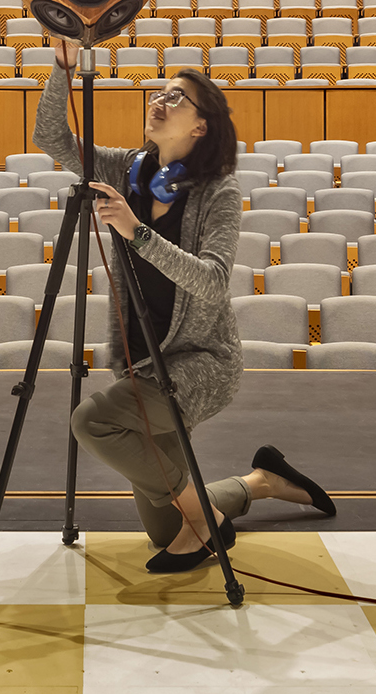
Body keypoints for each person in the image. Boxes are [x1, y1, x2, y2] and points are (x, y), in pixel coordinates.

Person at [34, 38, 335, 574]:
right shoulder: (126, 168)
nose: (161, 99)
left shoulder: (219, 191)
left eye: (178, 98)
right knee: (166, 530)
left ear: (201, 126)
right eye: (163, 91)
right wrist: (63, 67)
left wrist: (136, 231)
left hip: (202, 361)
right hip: (146, 360)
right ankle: (260, 482)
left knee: (93, 422)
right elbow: (51, 138)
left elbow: (215, 283)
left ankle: (210, 521)